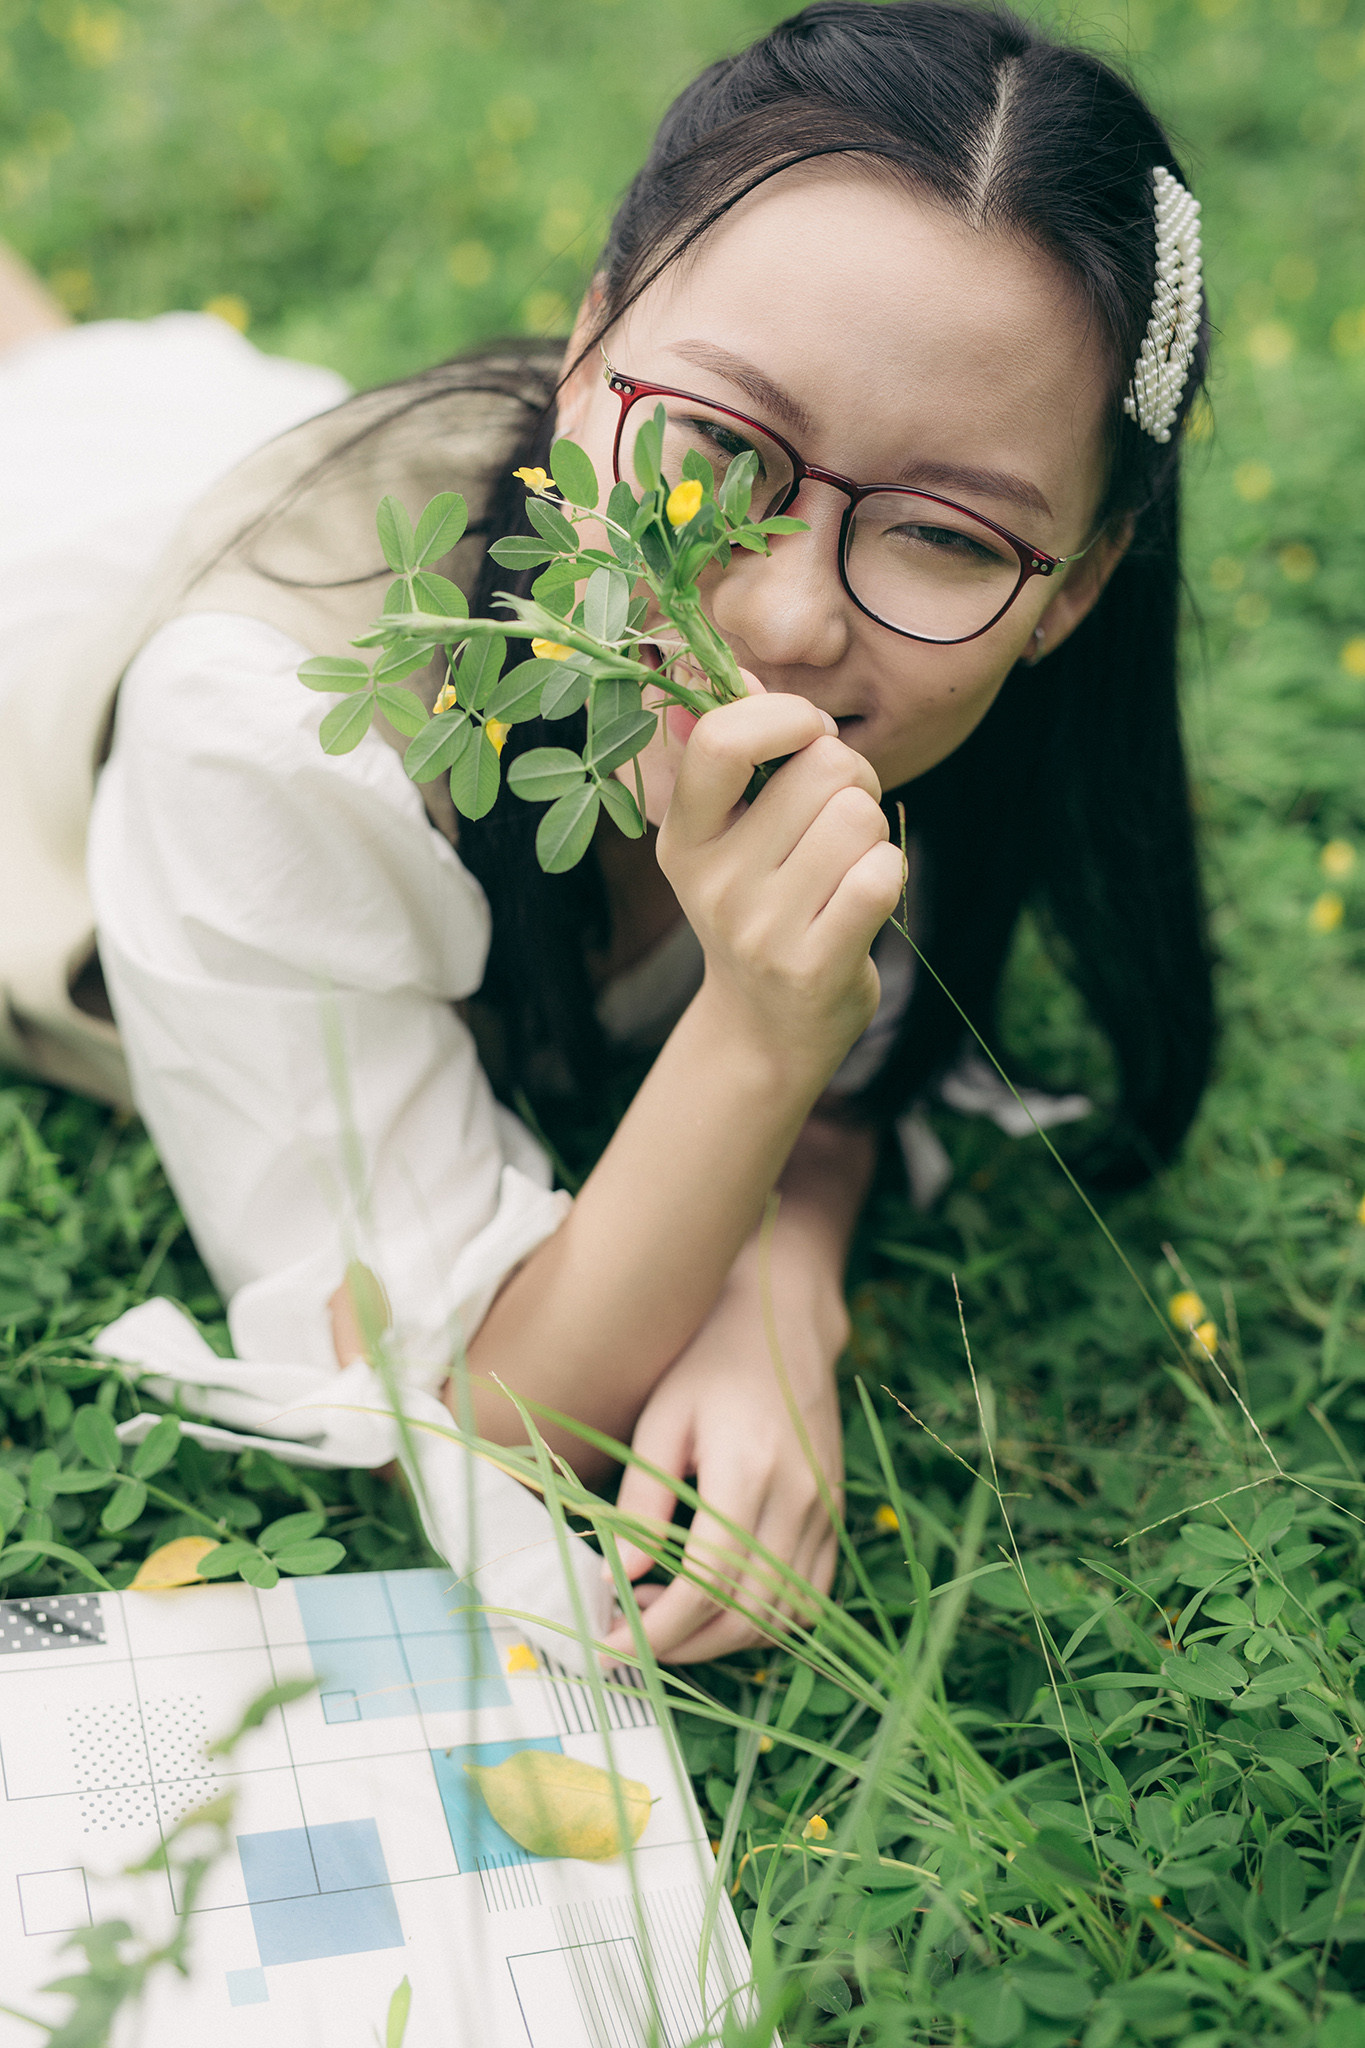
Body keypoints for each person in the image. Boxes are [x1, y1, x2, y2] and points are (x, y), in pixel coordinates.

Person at [0, 0, 1213, 1665]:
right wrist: (759, 1032)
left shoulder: (953, 665)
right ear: (583, 352)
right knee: (45, 404)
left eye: (941, 532)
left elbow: (884, 1066)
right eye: (719, 445)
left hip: (186, 443)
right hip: (46, 583)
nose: (783, 618)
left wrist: (784, 1272)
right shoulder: (272, 738)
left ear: (1070, 587)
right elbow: (479, 1406)